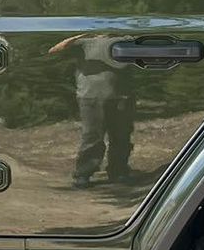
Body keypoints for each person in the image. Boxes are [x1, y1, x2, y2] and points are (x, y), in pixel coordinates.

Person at [48, 33, 137, 186]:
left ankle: (119, 172)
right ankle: (83, 173)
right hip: (91, 97)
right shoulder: (83, 43)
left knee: (121, 137)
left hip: (121, 96)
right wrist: (84, 34)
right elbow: (54, 50)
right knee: (92, 137)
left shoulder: (125, 40)